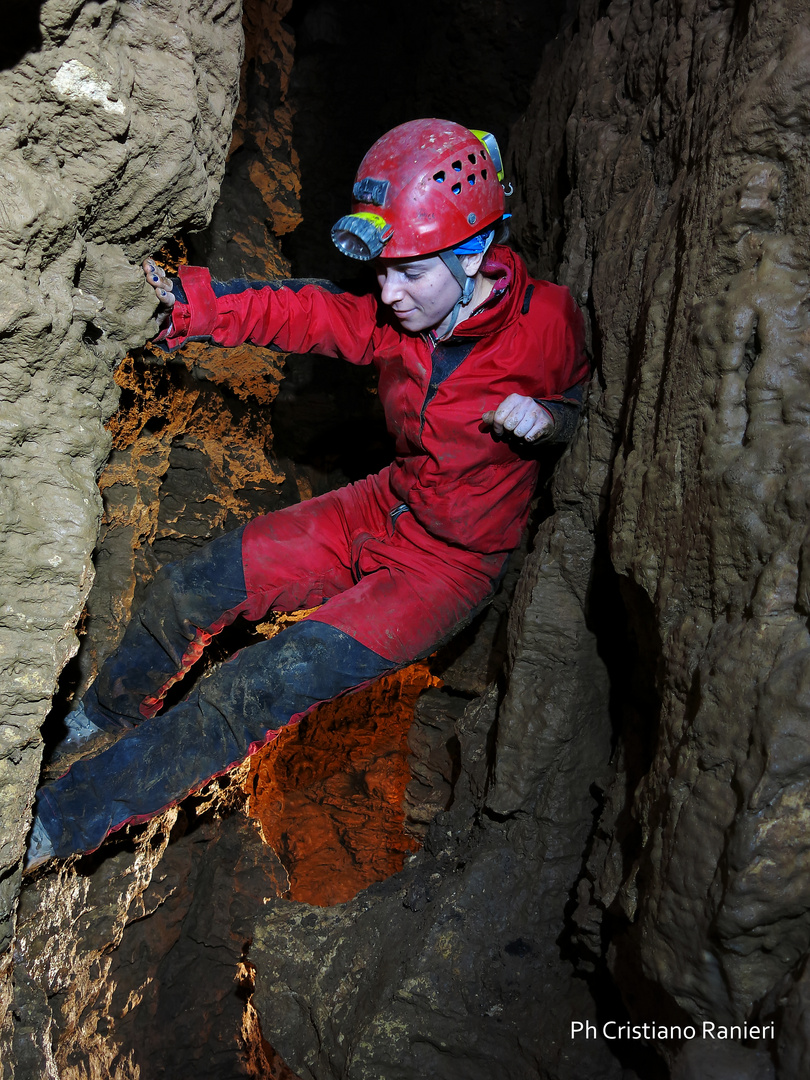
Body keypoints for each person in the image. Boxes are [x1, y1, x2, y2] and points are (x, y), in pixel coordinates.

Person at [26, 119, 588, 870]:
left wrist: (547, 418)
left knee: (254, 688)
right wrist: (185, 307)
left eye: (409, 272)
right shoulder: (401, 321)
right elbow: (310, 312)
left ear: (475, 254)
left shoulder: (548, 323)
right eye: (382, 269)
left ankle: (57, 825)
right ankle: (103, 716)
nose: (388, 292)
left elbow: (582, 407)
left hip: (446, 569)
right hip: (383, 505)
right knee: (194, 586)